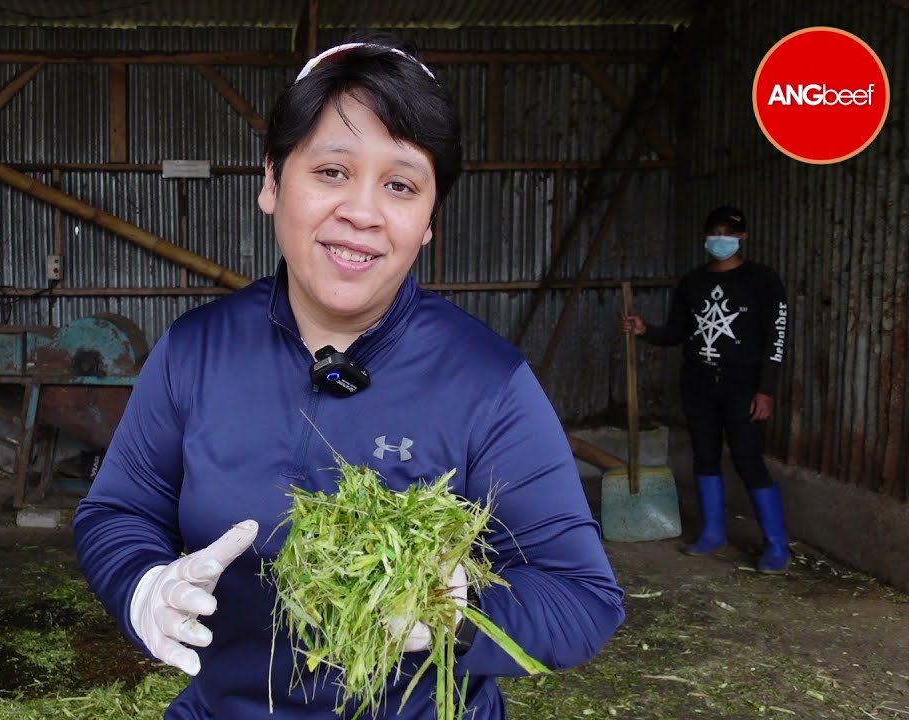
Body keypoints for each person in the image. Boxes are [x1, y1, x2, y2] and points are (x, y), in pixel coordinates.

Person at [74, 36, 625, 719]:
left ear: (427, 220)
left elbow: (584, 598)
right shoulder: (198, 351)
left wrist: (464, 612)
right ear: (273, 181)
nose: (362, 212)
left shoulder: (486, 381)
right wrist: (143, 588)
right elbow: (119, 511)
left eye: (400, 184)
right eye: (332, 170)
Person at [620, 205, 791, 573]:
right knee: (704, 454)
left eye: (729, 232)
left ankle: (777, 545)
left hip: (743, 383)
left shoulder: (763, 280)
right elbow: (678, 332)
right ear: (705, 237)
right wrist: (645, 330)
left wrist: (766, 389)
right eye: (715, 231)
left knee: (747, 457)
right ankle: (713, 533)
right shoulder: (692, 284)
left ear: (743, 237)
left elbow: (776, 339)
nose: (721, 239)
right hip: (698, 380)